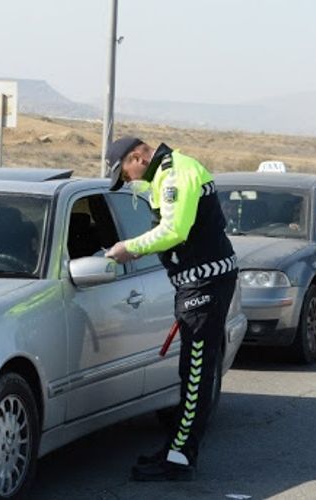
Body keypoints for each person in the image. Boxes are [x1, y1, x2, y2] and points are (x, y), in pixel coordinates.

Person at [104, 136, 237, 481]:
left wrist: (129, 248)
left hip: (205, 283)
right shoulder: (167, 173)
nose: (129, 181)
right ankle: (176, 448)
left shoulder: (176, 174)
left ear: (137, 156)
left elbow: (174, 230)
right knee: (190, 373)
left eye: (126, 173)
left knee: (195, 375)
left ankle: (180, 459)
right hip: (198, 282)